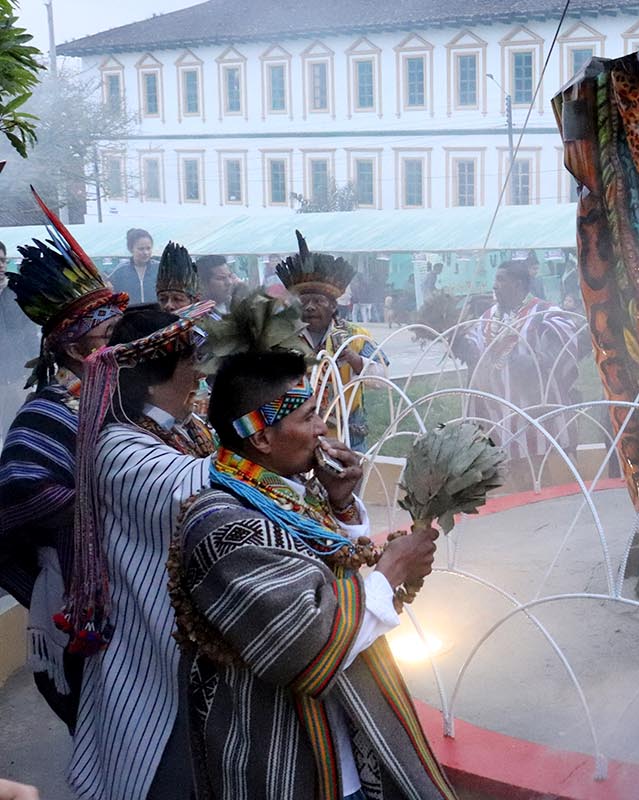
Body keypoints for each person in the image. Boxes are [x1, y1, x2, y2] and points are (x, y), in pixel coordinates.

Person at [169, 350, 456, 799]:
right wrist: (391, 568)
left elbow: (324, 564)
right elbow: (306, 640)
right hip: (283, 758)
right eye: (308, 417)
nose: (323, 429)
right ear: (262, 439)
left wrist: (340, 503)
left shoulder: (276, 495)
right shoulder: (223, 526)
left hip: (340, 744)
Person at [64, 301, 216, 800]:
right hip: (146, 646)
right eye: (189, 359)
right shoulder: (118, 447)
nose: (199, 370)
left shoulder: (187, 429)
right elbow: (198, 489)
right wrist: (267, 429)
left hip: (180, 639)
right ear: (152, 378)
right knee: (158, 770)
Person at [0, 197, 129, 732]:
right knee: (104, 724)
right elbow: (18, 488)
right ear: (76, 350)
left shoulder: (121, 400)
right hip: (74, 596)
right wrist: (103, 501)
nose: (125, 346)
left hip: (132, 587)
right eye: (111, 338)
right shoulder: (50, 408)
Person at [455, 261, 583, 466]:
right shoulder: (488, 317)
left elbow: (568, 344)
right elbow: (475, 350)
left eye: (501, 279)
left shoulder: (545, 311)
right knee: (506, 466)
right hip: (496, 411)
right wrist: (458, 343)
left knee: (537, 468)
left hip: (534, 409)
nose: (494, 285)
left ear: (518, 284)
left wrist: (537, 362)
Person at [279, 231, 389, 451]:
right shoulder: (282, 338)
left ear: (333, 306)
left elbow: (382, 379)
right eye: (305, 301)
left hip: (347, 434)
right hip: (298, 435)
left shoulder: (355, 336)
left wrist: (354, 358)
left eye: (318, 301)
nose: (310, 307)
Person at [0, 241, 39, 435]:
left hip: (19, 375)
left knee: (18, 428)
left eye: (2, 260)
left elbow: (30, 331)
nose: (0, 265)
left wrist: (35, 366)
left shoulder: (16, 292)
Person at [108, 228, 158, 302]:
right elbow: (109, 289)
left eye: (148, 248)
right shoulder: (121, 270)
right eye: (141, 249)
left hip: (156, 312)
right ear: (131, 249)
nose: (146, 252)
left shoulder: (159, 268)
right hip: (130, 312)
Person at [154, 241, 199, 314]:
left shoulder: (209, 325)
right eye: (162, 299)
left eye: (178, 299)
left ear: (194, 302)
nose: (168, 306)